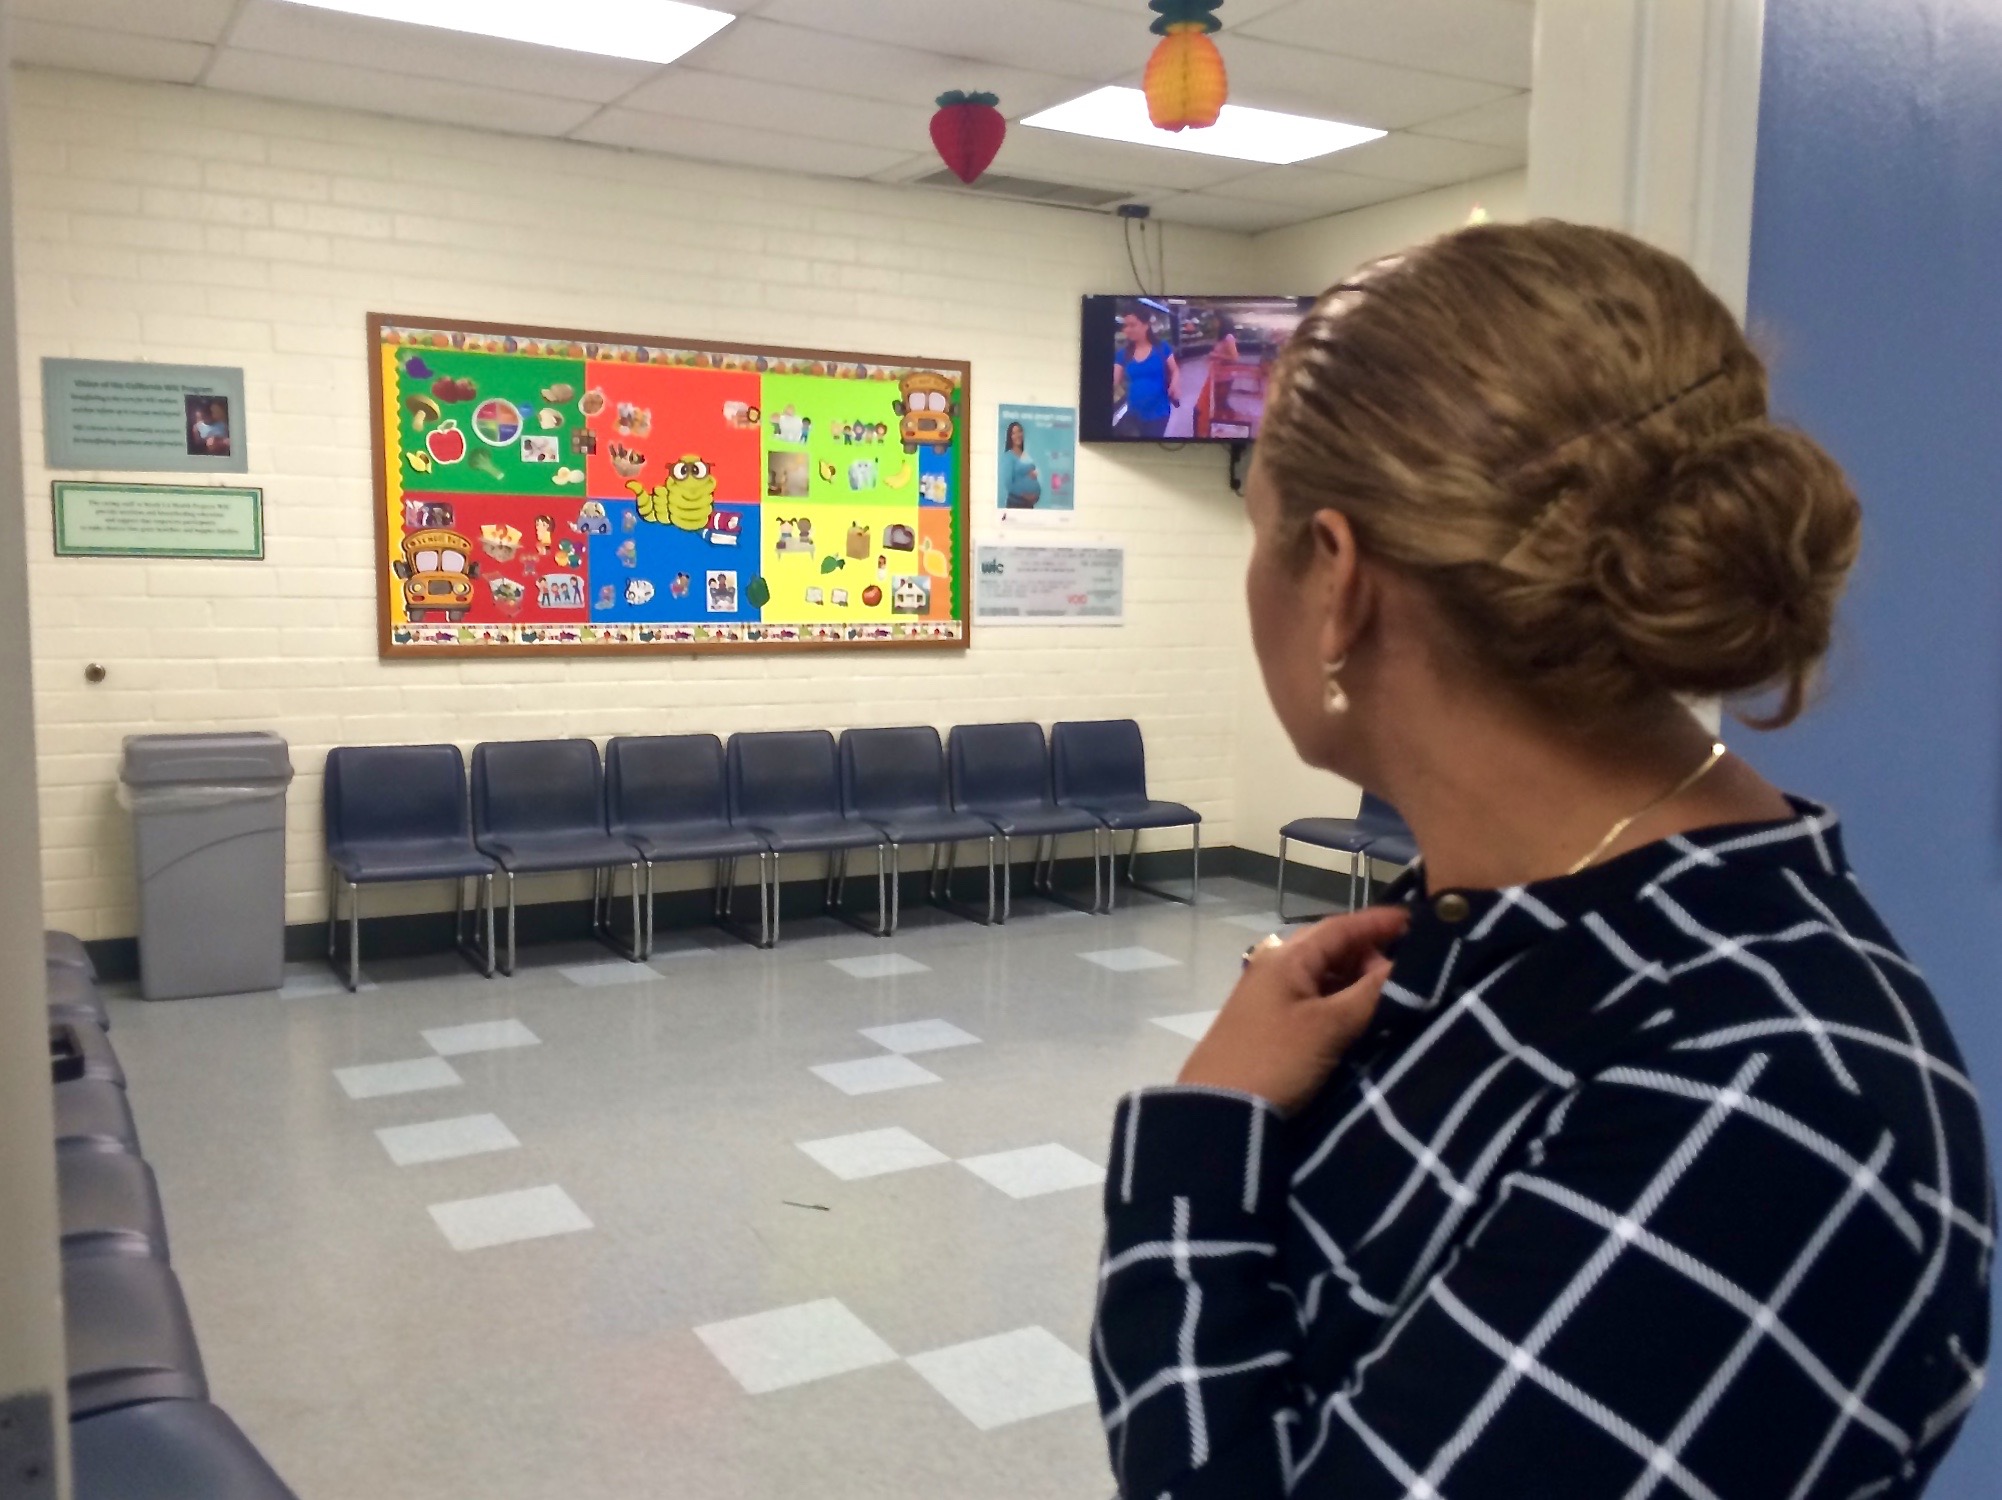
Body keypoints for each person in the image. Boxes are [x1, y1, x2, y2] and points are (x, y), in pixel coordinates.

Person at [1090, 221, 1992, 1499]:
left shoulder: (1755, 1107)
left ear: (1336, 579)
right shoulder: (1499, 920)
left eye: (1258, 526)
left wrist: (1202, 1140)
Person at [1114, 306, 1179, 440]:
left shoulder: (1162, 348)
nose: (1127, 330)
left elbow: (1175, 370)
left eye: (1132, 325)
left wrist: (1175, 384)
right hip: (1133, 416)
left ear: (1146, 325)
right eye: (1125, 326)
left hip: (1159, 413)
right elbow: (1114, 380)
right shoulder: (1123, 354)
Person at [1001, 420, 1041, 509]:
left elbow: (1030, 476)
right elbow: (1008, 484)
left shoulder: (1026, 455)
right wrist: (1025, 495)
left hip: (1029, 505)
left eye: (1019, 431)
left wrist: (1036, 495)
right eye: (1014, 433)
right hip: (1016, 503)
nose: (1017, 435)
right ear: (1010, 437)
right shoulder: (1008, 456)